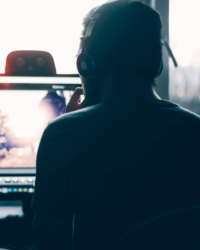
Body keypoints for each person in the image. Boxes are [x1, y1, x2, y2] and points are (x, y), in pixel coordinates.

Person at [31, 1, 200, 249]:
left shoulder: (63, 135)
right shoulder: (194, 130)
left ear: (87, 63)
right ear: (157, 62)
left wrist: (68, 124)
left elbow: (49, 242)